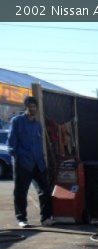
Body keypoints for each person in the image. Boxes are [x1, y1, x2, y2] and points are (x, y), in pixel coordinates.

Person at [7, 96, 53, 228]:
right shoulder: (17, 121)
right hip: (23, 163)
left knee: (45, 189)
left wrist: (43, 162)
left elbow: (39, 144)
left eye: (34, 107)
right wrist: (18, 157)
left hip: (38, 163)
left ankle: (46, 218)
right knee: (21, 192)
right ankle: (22, 219)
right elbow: (11, 143)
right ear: (26, 107)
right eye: (30, 106)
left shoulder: (38, 125)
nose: (32, 109)